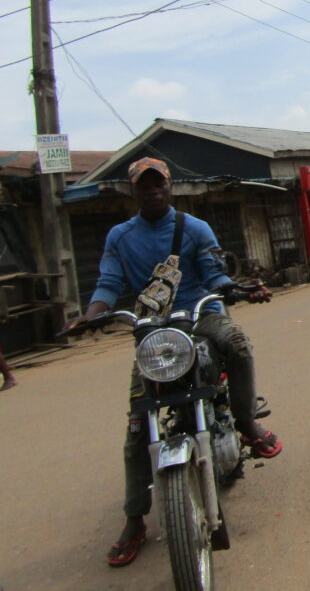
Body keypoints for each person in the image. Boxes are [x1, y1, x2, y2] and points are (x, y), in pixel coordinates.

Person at [64, 157, 282, 568]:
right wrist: (91, 315)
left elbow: (213, 272)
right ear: (133, 192)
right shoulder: (120, 236)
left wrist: (235, 288)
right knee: (137, 424)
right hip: (155, 329)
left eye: (158, 184)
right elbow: (108, 283)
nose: (152, 191)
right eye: (143, 186)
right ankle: (134, 520)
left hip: (201, 314)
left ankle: (246, 422)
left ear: (169, 186)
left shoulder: (195, 227)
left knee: (237, 343)